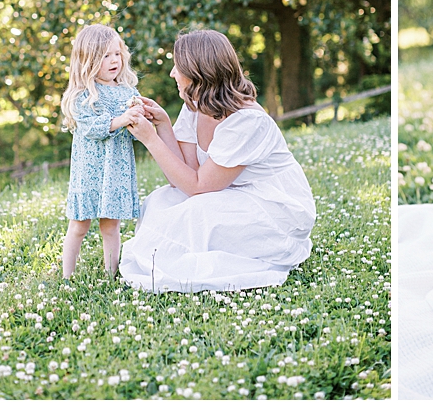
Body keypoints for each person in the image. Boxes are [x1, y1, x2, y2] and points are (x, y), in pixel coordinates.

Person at [119, 29, 316, 293]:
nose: (172, 74)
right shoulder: (195, 106)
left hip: (272, 207)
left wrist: (151, 140)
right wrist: (164, 125)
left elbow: (199, 187)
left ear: (198, 74)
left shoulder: (247, 121)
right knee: (160, 200)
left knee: (196, 212)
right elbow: (180, 179)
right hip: (230, 193)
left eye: (177, 67)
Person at [59, 24, 145, 279]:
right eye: (105, 56)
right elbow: (93, 128)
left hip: (115, 170)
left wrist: (141, 113)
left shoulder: (127, 91)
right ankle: (67, 276)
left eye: (116, 54)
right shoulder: (82, 95)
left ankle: (111, 274)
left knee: (111, 226)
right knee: (79, 226)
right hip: (90, 171)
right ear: (88, 60)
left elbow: (135, 127)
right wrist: (121, 119)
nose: (113, 60)